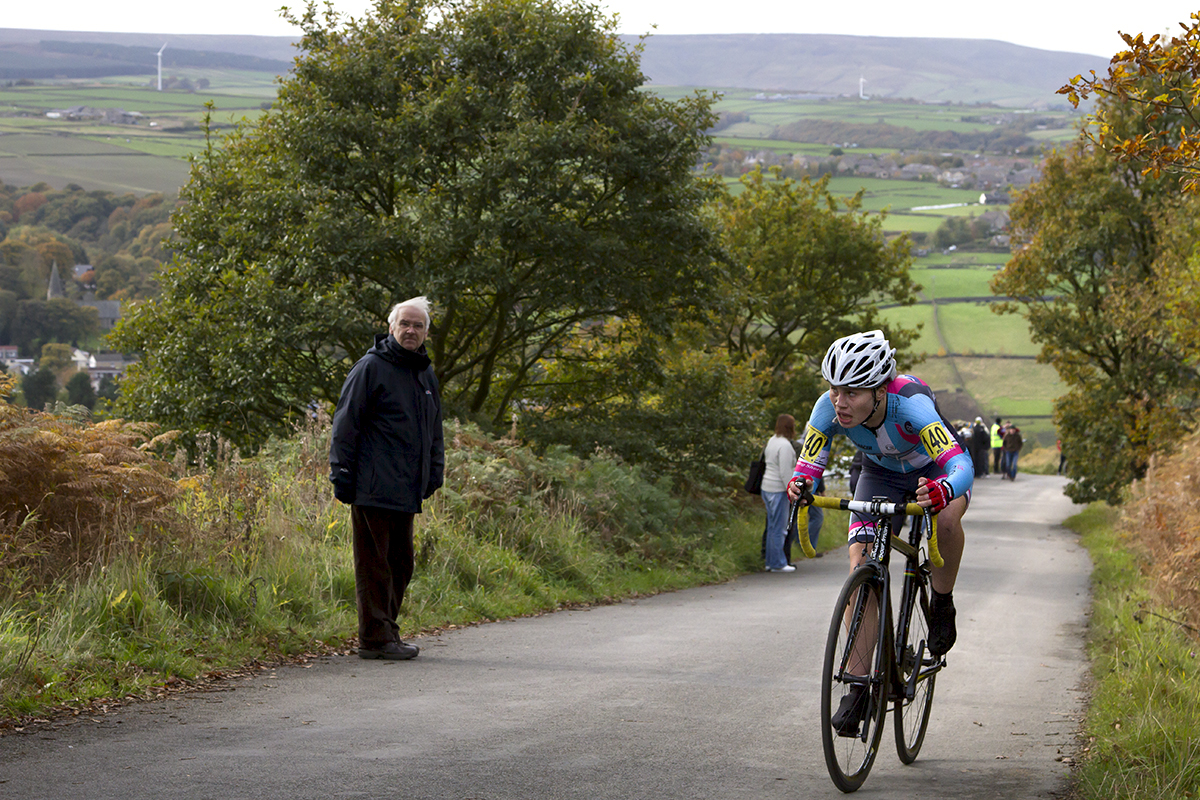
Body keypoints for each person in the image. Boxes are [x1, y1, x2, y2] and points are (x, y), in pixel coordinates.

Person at [787, 331, 972, 735]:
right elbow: (808, 464)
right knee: (861, 567)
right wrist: (801, 485)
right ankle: (856, 687)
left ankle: (941, 602)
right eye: (835, 389)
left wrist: (943, 489)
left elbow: (962, 467)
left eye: (852, 392)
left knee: (945, 521)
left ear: (878, 389)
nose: (840, 401)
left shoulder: (912, 404)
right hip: (880, 474)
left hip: (936, 471)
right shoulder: (827, 409)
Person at [330, 296, 445, 661]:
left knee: (401, 563)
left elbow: (434, 429)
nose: (411, 330)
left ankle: (385, 633)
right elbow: (345, 424)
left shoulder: (424, 373)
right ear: (391, 326)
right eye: (405, 324)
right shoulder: (370, 368)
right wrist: (342, 474)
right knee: (374, 565)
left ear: (426, 332)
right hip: (372, 485)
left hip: (407, 488)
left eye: (418, 325)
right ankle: (375, 639)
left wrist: (435, 471)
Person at [760, 414, 798, 572]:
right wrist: (792, 491)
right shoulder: (785, 446)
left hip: (766, 487)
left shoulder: (772, 440)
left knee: (772, 527)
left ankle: (770, 561)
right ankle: (778, 563)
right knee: (780, 528)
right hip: (778, 490)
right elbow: (785, 473)